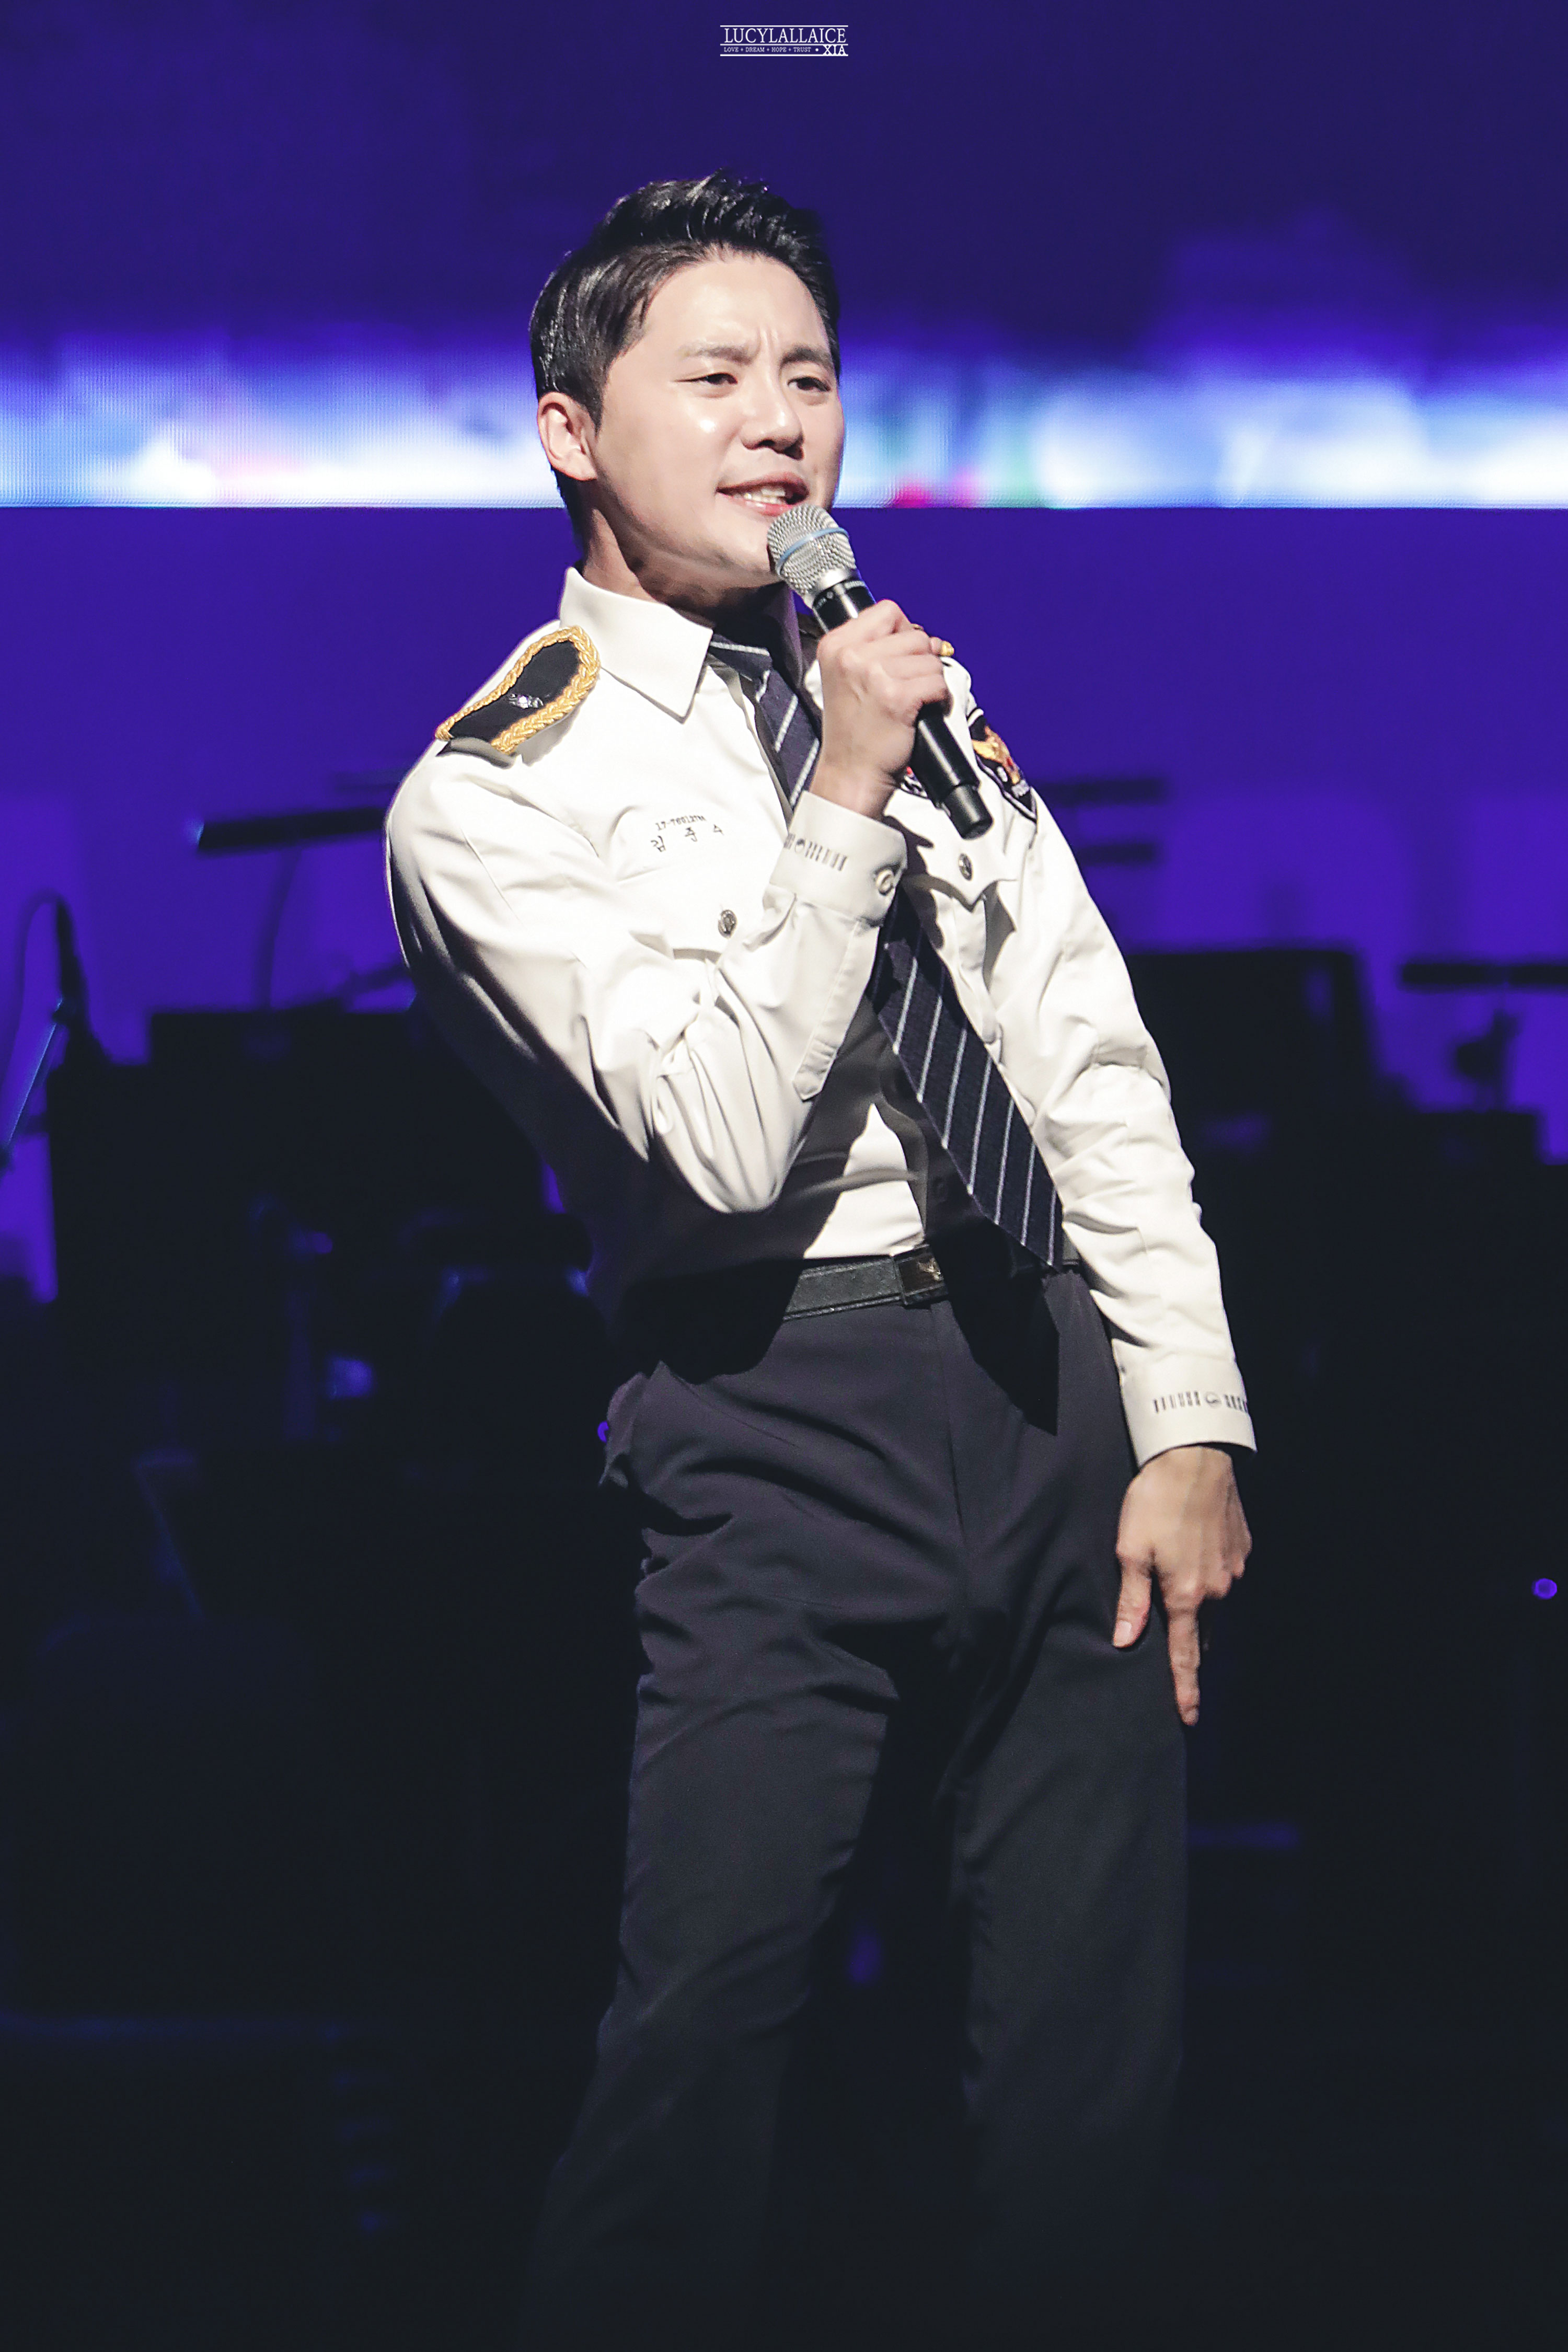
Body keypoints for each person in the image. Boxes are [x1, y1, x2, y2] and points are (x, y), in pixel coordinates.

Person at [386, 172, 1253, 2350]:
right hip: (772, 1400)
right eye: (715, 376)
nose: (779, 421)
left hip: (1048, 1376)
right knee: (698, 2056)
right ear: (574, 429)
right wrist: (846, 792)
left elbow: (1088, 1057)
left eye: (810, 375)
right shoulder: (498, 791)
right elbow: (713, 1136)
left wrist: (1188, 1417)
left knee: (1094, 2080)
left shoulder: (903, 688)